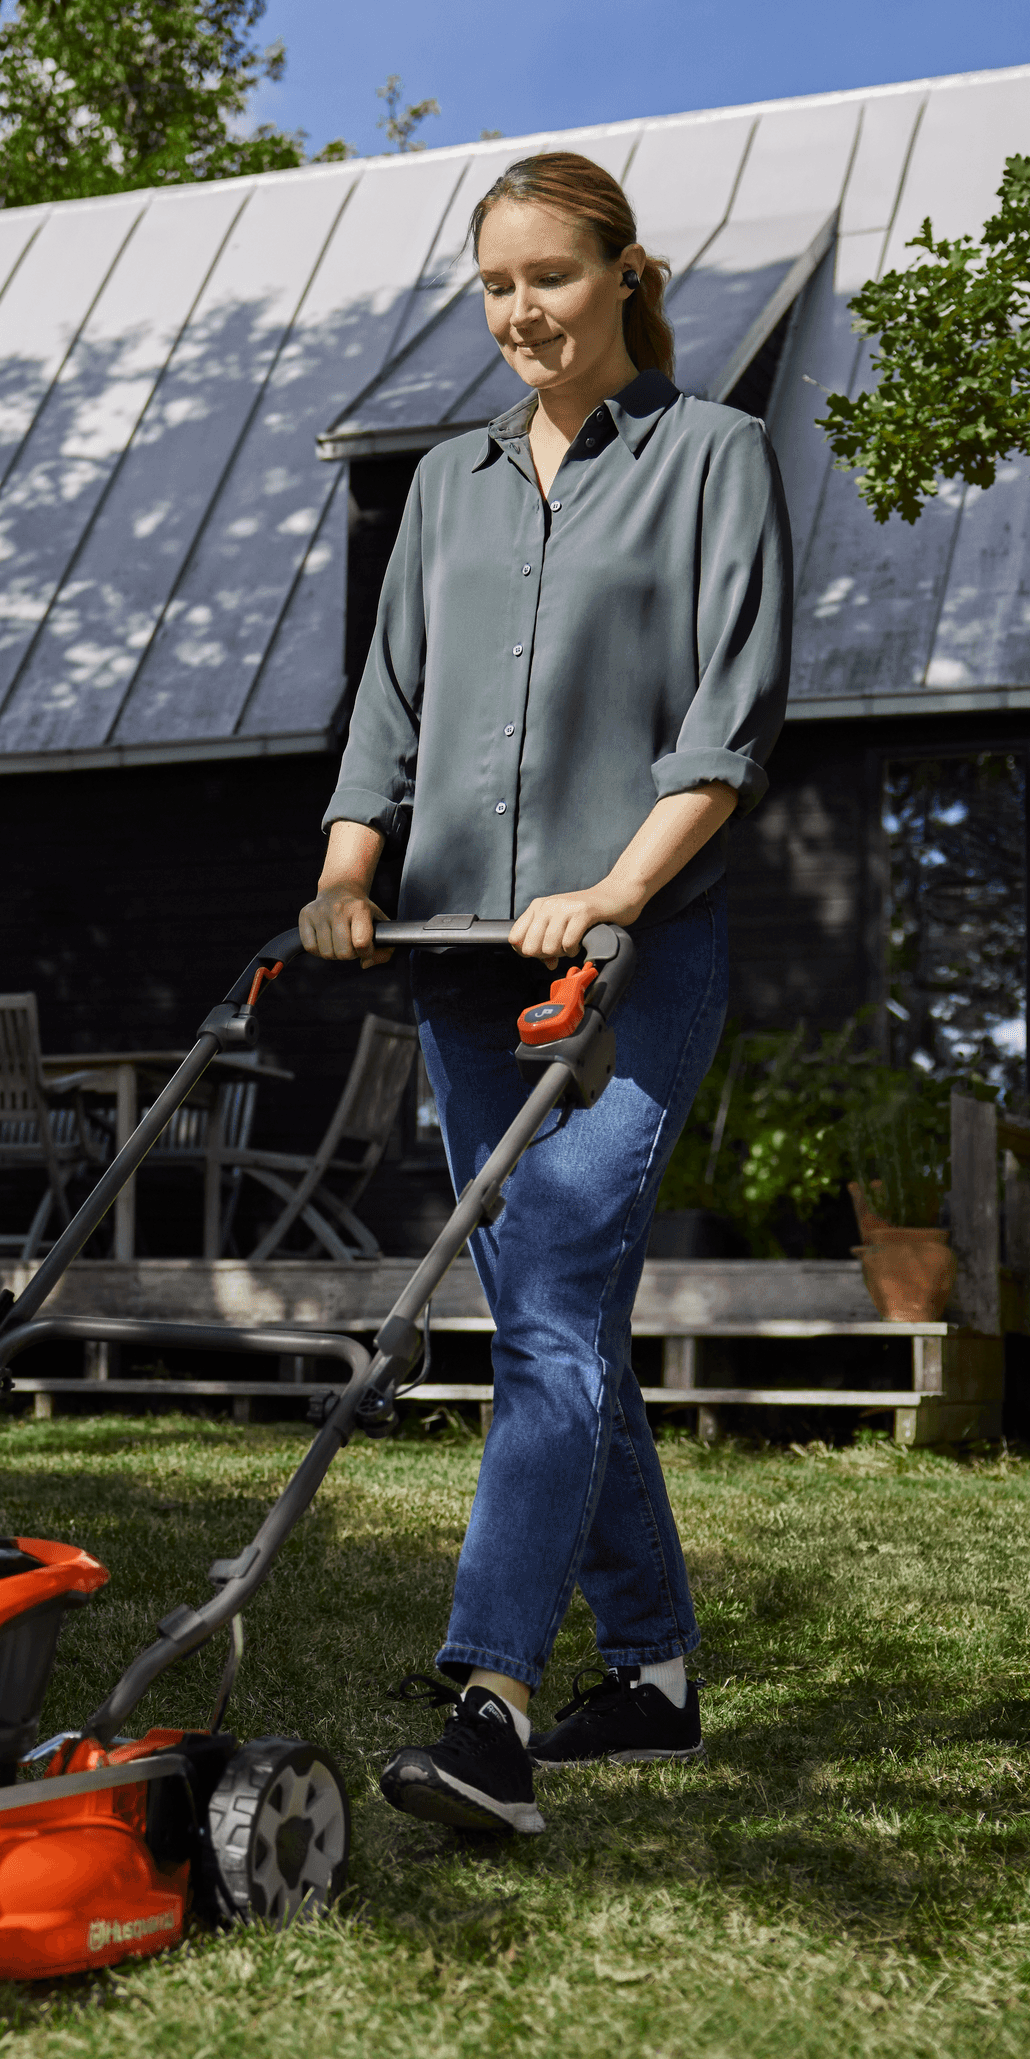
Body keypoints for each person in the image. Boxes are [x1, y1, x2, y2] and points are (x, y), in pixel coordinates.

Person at [303, 151, 790, 1836]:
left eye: (551, 279)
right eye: (497, 284)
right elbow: (388, 709)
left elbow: (724, 728)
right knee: (553, 1329)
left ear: (625, 276)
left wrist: (611, 890)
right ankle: (650, 1674)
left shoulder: (715, 458)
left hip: (629, 961)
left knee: (558, 1307)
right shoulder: (446, 487)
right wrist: (350, 873)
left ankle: (491, 1700)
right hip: (454, 968)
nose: (521, 311)